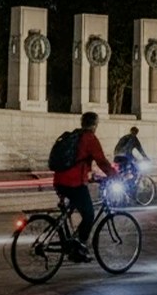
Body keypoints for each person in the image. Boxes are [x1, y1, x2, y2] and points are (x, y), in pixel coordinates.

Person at [52, 111, 117, 260]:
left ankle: (72, 243)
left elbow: (80, 162)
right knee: (89, 215)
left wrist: (91, 176)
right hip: (73, 183)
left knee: (75, 207)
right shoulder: (89, 138)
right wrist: (115, 176)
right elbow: (102, 161)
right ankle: (79, 248)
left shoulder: (75, 136)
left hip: (59, 180)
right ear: (95, 124)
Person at [112, 126, 149, 194]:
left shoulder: (124, 137)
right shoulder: (134, 138)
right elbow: (140, 149)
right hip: (125, 157)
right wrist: (146, 157)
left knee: (121, 172)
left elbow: (118, 147)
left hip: (116, 156)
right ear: (136, 133)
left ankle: (123, 185)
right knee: (135, 170)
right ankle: (130, 187)